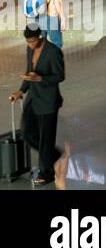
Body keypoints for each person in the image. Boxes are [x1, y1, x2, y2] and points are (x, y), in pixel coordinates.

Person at [10, 25, 64, 186]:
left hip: (48, 101)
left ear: (39, 37)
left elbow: (60, 76)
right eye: (28, 41)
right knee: (27, 132)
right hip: (33, 98)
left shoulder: (53, 52)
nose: (30, 44)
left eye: (33, 41)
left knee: (45, 139)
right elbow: (30, 71)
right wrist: (21, 91)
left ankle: (47, 174)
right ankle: (53, 155)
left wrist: (41, 79)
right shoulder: (30, 49)